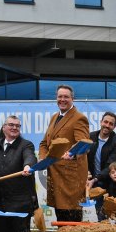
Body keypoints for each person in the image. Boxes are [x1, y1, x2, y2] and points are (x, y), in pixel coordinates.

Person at [39, 85, 89, 222]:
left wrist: (72, 153)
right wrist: (42, 159)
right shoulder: (55, 117)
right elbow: (44, 144)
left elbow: (84, 145)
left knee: (72, 225)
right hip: (55, 178)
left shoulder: (79, 118)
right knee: (61, 221)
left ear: (73, 99)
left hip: (71, 181)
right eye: (60, 96)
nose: (62, 99)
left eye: (66, 97)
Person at [87, 112, 116, 221]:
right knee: (100, 216)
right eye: (105, 122)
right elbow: (83, 157)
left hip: (110, 184)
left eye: (111, 124)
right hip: (93, 183)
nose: (107, 125)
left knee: (113, 216)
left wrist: (95, 179)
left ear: (114, 126)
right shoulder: (90, 137)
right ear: (101, 122)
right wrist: (86, 172)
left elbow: (110, 167)